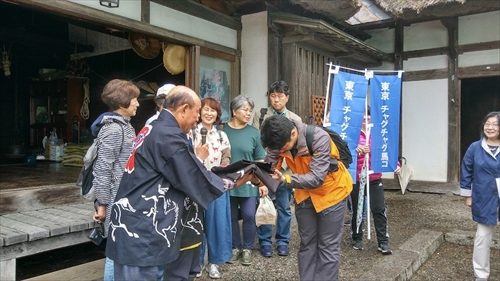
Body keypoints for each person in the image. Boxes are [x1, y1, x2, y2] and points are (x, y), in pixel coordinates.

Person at [105, 86, 260, 280]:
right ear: (184, 109)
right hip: (143, 231)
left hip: (140, 224)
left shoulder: (154, 127)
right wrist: (243, 178)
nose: (198, 120)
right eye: (197, 112)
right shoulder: (168, 136)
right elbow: (196, 179)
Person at [260, 115, 352, 281]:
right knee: (307, 244)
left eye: (283, 148)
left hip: (332, 193)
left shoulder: (319, 138)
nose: (280, 151)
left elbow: (317, 178)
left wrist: (285, 179)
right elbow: (269, 168)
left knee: (327, 247)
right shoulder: (278, 141)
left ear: (293, 133)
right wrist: (258, 178)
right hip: (304, 194)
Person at [91, 79, 140, 281]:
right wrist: (102, 204)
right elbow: (102, 170)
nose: (138, 103)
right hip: (115, 198)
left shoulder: (125, 126)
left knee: (122, 248)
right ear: (122, 103)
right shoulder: (113, 129)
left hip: (126, 196)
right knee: (115, 250)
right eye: (134, 100)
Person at [252, 80, 301, 257]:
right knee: (264, 203)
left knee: (284, 207)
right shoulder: (261, 114)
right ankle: (265, 241)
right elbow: (258, 143)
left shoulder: (295, 119)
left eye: (280, 96)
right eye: (273, 96)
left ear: (287, 98)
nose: (276, 100)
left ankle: (283, 241)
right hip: (266, 168)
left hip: (286, 171)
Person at [190, 98, 232, 279]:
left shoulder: (222, 135)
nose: (209, 113)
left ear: (217, 114)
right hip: (196, 184)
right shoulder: (191, 132)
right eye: (205, 109)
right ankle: (197, 262)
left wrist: (221, 169)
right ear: (199, 112)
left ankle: (213, 262)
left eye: (213, 110)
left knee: (217, 224)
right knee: (196, 225)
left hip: (216, 183)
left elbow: (226, 158)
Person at [224, 95, 268, 266]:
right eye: (245, 109)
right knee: (231, 217)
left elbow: (260, 160)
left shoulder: (254, 133)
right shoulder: (223, 131)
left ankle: (248, 249)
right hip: (228, 182)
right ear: (234, 111)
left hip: (249, 182)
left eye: (250, 110)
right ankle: (235, 248)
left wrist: (262, 183)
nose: (248, 113)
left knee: (249, 215)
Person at [350, 106, 400, 255]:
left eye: (368, 116)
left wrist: (396, 165)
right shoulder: (353, 133)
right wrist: (356, 148)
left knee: (379, 209)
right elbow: (344, 150)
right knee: (358, 210)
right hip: (358, 177)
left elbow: (387, 150)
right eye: (363, 116)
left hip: (374, 177)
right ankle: (357, 237)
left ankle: (383, 242)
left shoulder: (378, 133)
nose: (366, 119)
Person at [460, 111, 500, 281]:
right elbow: (466, 171)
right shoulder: (475, 147)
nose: (490, 127)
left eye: (495, 124)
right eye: (487, 123)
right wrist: (467, 195)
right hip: (484, 195)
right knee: (482, 237)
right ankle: (481, 274)